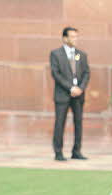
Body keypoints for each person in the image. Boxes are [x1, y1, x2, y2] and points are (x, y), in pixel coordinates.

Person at [49, 27, 90, 161]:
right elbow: (56, 74)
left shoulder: (81, 54)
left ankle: (76, 151)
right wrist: (71, 88)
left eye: (76, 36)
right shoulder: (56, 54)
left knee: (78, 123)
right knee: (60, 123)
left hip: (78, 95)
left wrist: (80, 88)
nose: (75, 39)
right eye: (72, 36)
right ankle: (58, 152)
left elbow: (86, 73)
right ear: (64, 38)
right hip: (63, 94)